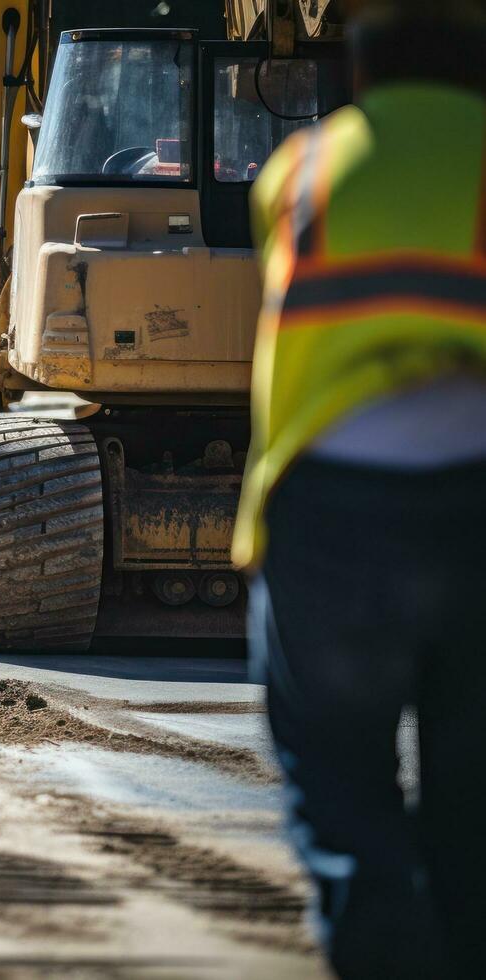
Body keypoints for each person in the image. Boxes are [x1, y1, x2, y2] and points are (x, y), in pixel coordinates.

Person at [234, 5, 486, 976]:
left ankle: (383, 946)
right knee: (472, 788)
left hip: (330, 502)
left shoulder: (299, 171)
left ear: (361, 72)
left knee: (339, 775)